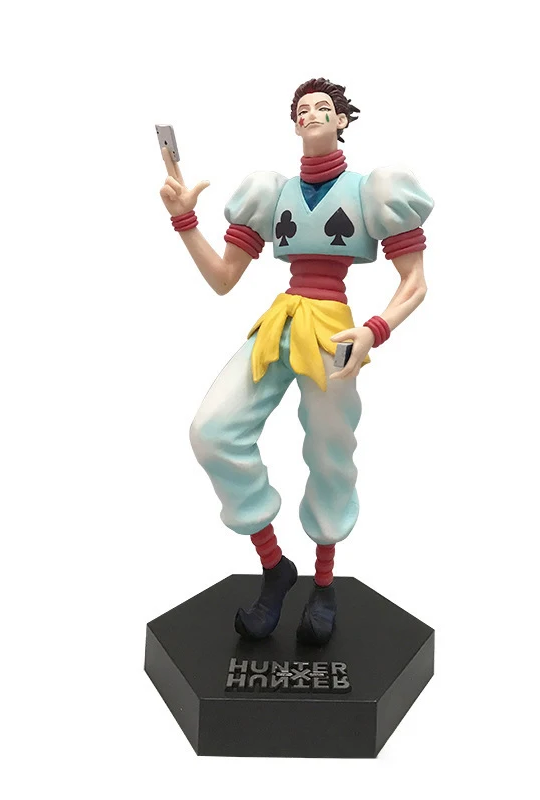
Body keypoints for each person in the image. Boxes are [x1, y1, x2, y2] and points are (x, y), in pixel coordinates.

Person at [158, 77, 433, 645]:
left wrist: (374, 331)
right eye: (302, 108)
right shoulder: (271, 192)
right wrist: (185, 221)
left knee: (331, 450)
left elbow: (415, 281)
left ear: (342, 121)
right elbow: (223, 278)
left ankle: (324, 584)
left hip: (335, 333)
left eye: (323, 108)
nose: (311, 114)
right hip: (280, 322)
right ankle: (274, 566)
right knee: (212, 430)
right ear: (293, 122)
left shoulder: (371, 190)